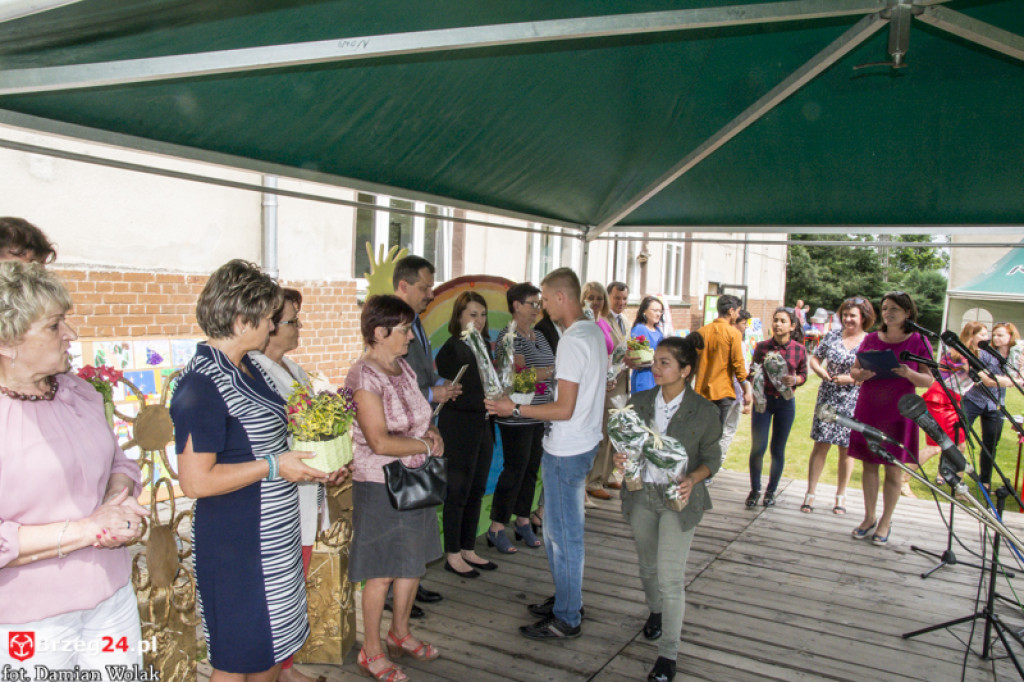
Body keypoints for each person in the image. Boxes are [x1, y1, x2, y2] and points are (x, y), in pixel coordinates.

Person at [171, 260, 341, 681]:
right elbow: (195, 481)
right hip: (238, 544)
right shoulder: (202, 386)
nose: (272, 327)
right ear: (242, 318)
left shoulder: (248, 368)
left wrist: (316, 461)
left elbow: (274, 439)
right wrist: (273, 465)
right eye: (268, 318)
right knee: (237, 658)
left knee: (269, 651)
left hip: (272, 536)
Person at [0, 262, 146, 673]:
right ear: (7, 341)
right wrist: (89, 529)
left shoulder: (78, 392)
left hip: (112, 597)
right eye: (53, 326)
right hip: (30, 621)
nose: (71, 334)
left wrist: (117, 504)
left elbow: (120, 462)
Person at [486, 267, 606, 641]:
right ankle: (565, 600)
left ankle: (568, 616)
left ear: (560, 297)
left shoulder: (570, 339)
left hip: (567, 447)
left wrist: (514, 410)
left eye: (545, 298)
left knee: (564, 536)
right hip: (581, 442)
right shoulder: (591, 332)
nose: (541, 306)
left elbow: (563, 408)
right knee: (558, 531)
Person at [345, 294, 446, 682]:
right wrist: (424, 445)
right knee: (382, 572)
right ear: (379, 332)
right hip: (381, 484)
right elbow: (379, 442)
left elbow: (420, 416)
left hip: (416, 480)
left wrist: (432, 432)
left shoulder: (402, 367)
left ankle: (399, 632)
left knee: (412, 563)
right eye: (403, 329)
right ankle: (370, 651)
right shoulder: (363, 376)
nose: (410, 336)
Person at [613, 335, 722, 682]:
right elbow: (626, 444)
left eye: (665, 363)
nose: (656, 368)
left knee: (670, 578)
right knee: (648, 569)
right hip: (642, 494)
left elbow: (712, 459)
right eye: (655, 361)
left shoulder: (704, 410)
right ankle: (656, 613)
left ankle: (668, 656)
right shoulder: (638, 401)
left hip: (680, 500)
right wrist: (621, 458)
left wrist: (694, 478)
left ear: (685, 370)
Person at [247, 288, 327, 682]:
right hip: (277, 494)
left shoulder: (293, 369)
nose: (299, 327)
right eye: (292, 320)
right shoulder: (254, 371)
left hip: (306, 489)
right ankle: (274, 667)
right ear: (268, 327)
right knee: (276, 591)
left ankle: (286, 665)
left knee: (298, 578)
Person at [391, 255, 460, 609]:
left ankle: (411, 582)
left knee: (419, 511)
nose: (430, 294)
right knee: (402, 516)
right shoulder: (390, 324)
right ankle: (395, 592)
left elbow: (420, 373)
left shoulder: (417, 322)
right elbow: (392, 386)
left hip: (421, 431)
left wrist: (441, 384)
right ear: (403, 286)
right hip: (400, 438)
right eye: (424, 287)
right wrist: (434, 393)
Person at [848, 292, 935, 546]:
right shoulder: (872, 338)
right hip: (870, 407)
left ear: (908, 313)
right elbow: (854, 370)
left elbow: (929, 380)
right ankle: (869, 517)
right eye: (885, 308)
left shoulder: (919, 340)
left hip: (899, 411)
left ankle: (886, 521)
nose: (888, 312)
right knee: (869, 464)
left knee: (894, 469)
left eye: (895, 308)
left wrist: (909, 373)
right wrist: (861, 373)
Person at [488, 282, 554, 553]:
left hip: (538, 412)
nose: (537, 309)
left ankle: (523, 520)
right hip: (515, 414)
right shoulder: (509, 337)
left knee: (530, 469)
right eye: (532, 304)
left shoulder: (537, 336)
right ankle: (496, 527)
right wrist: (546, 373)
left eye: (540, 304)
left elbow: (535, 375)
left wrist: (541, 374)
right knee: (515, 469)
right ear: (516, 305)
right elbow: (515, 380)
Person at [435, 291, 497, 575]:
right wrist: (489, 401)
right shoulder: (453, 348)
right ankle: (453, 553)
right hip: (458, 428)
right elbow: (455, 394)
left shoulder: (484, 344)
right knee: (458, 492)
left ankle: (468, 547)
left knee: (477, 489)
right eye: (473, 315)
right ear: (459, 316)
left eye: (483, 314)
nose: (479, 320)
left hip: (483, 426)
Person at [802, 297, 873, 515]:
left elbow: (872, 372)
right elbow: (815, 358)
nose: (848, 319)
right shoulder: (832, 335)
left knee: (846, 448)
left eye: (853, 315)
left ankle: (840, 496)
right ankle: (810, 494)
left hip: (853, 399)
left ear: (863, 318)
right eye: (845, 315)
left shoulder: (870, 341)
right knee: (821, 444)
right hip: (828, 396)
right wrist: (820, 371)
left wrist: (851, 379)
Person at [745, 307, 808, 508]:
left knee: (777, 449)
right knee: (758, 448)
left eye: (782, 321)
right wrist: (754, 380)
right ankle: (755, 489)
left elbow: (804, 374)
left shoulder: (799, 349)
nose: (778, 324)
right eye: (775, 320)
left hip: (785, 403)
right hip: (763, 402)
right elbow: (751, 372)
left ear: (792, 325)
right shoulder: (762, 347)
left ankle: (771, 492)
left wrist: (796, 379)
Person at [952, 322, 1013, 489]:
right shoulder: (984, 354)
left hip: (995, 405)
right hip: (973, 400)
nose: (995, 338)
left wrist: (1007, 380)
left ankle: (985, 482)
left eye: (1000, 335)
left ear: (1010, 338)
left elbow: (1015, 375)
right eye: (995, 335)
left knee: (990, 445)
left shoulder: (1013, 358)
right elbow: (983, 380)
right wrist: (1010, 382)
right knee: (959, 436)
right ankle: (951, 475)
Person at [582, 281, 618, 500]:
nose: (595, 302)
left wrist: (611, 375)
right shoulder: (581, 323)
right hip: (587, 390)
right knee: (587, 438)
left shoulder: (604, 323)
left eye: (599, 298)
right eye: (591, 297)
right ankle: (582, 488)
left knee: (600, 437)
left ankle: (590, 483)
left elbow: (609, 354)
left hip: (603, 388)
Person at [693, 294, 751, 425]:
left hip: (701, 391)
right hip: (722, 392)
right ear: (731, 311)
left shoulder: (701, 332)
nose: (737, 315)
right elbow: (738, 365)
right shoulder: (733, 333)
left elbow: (691, 363)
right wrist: (746, 389)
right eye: (737, 311)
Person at [717, 310, 752, 462]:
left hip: (737, 392)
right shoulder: (732, 341)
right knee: (723, 430)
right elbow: (739, 368)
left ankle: (719, 461)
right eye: (743, 323)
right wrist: (746, 390)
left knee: (729, 430)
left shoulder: (741, 342)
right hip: (730, 391)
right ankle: (713, 464)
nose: (745, 327)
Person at [630, 296, 665, 393]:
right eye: (655, 310)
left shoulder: (658, 330)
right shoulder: (640, 329)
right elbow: (637, 356)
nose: (658, 314)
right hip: (644, 378)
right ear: (644, 311)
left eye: (660, 311)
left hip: (657, 377)